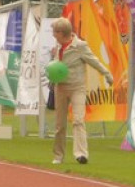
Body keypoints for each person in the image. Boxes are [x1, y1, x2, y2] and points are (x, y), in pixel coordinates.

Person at [49, 18, 114, 165]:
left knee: (78, 120)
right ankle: (58, 155)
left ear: (62, 32)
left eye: (55, 32)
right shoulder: (58, 46)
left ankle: (81, 154)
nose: (53, 35)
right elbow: (56, 67)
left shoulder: (80, 46)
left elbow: (94, 61)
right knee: (60, 125)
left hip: (77, 88)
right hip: (60, 87)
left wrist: (107, 74)